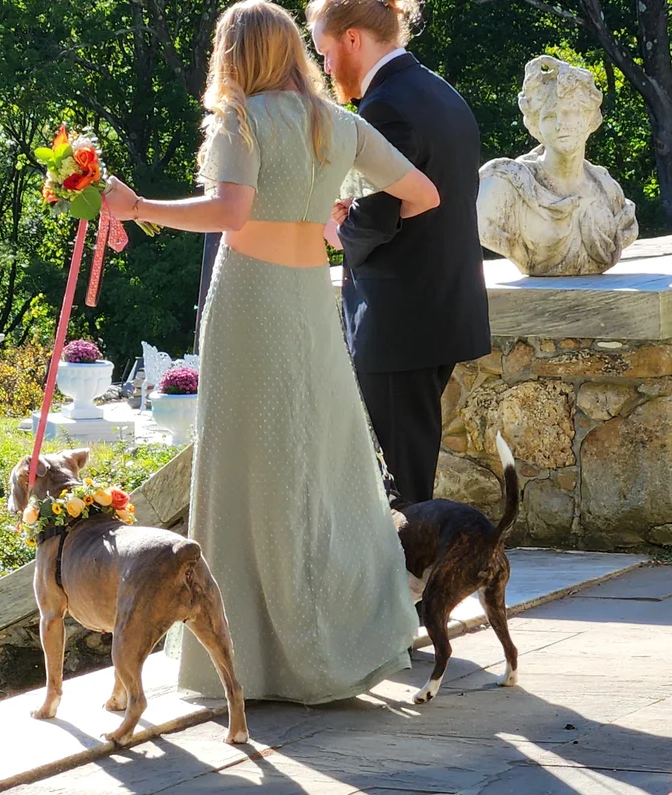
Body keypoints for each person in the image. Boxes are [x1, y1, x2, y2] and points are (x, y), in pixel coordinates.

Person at [104, 0, 439, 704]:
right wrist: (333, 218)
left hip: (252, 301)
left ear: (235, 56)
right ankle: (346, 631)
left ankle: (248, 656)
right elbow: (421, 193)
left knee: (246, 470)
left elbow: (229, 211)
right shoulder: (338, 124)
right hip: (312, 304)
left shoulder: (241, 119)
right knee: (323, 464)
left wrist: (137, 206)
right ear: (291, 50)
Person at [308, 0, 491, 504]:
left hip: (398, 320)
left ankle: (409, 580)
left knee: (404, 481)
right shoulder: (441, 93)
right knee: (413, 462)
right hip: (443, 306)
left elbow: (378, 218)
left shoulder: (385, 107)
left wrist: (331, 228)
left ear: (352, 40)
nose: (325, 68)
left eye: (325, 53)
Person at [478, 55, 638, 276]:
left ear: (590, 120)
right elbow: (483, 227)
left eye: (571, 112)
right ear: (536, 126)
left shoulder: (608, 192)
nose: (562, 124)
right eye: (550, 116)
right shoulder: (505, 186)